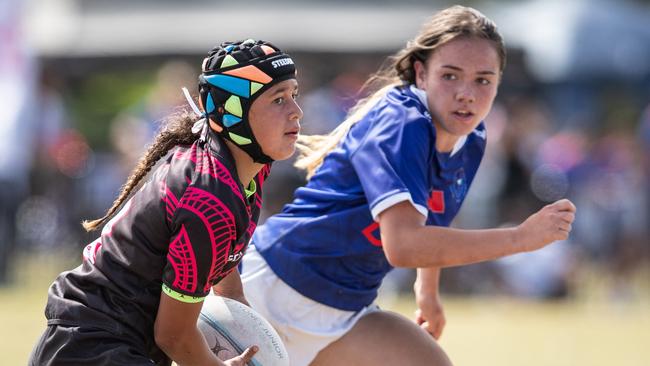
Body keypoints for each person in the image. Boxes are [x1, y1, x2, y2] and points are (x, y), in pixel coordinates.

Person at [239, 6, 576, 366]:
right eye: (450, 76)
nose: (467, 93)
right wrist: (520, 239)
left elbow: (430, 219)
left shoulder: (471, 137)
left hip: (345, 307)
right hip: (274, 289)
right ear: (421, 73)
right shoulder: (403, 123)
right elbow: (403, 245)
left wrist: (427, 290)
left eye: (483, 79)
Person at [29, 39, 303, 366]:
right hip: (89, 348)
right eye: (278, 99)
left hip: (112, 342)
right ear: (233, 113)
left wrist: (260, 346)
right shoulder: (209, 195)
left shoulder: (241, 178)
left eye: (294, 95)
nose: (296, 111)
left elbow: (227, 289)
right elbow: (174, 336)